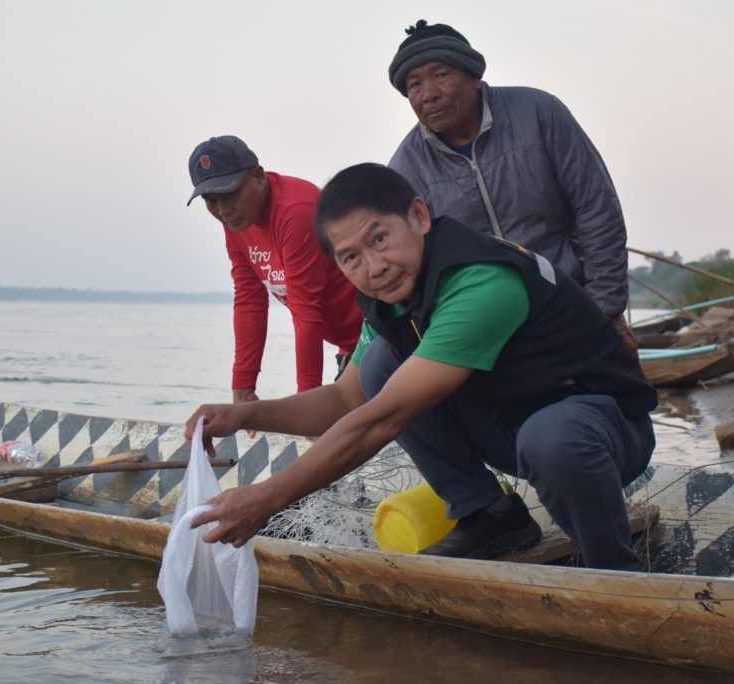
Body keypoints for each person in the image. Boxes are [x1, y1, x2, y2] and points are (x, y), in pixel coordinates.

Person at [187, 163, 657, 571]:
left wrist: (269, 498)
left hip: (603, 433)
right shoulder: (389, 300)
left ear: (418, 216)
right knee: (378, 366)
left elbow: (383, 419)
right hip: (516, 427)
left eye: (380, 239)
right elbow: (347, 400)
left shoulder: (478, 282)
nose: (375, 267)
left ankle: (613, 567)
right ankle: (491, 516)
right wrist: (245, 414)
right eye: (352, 257)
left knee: (552, 438)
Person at [386, 20, 637, 350]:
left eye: (441, 75)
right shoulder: (406, 167)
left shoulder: (538, 112)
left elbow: (596, 208)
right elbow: (414, 264)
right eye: (414, 84)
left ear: (474, 76)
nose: (429, 94)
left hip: (569, 300)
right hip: (484, 325)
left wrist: (606, 311)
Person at [187, 135, 363, 403]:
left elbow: (306, 310)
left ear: (258, 176)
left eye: (230, 193)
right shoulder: (237, 221)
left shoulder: (296, 211)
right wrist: (243, 385)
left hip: (382, 332)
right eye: (211, 200)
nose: (223, 210)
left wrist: (308, 400)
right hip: (350, 345)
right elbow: (249, 299)